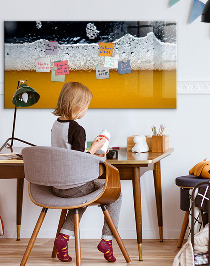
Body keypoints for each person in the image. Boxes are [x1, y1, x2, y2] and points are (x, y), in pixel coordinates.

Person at [51, 82, 121, 263]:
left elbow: (68, 154)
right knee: (116, 194)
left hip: (57, 186)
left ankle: (63, 238)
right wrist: (96, 148)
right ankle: (107, 240)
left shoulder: (56, 125)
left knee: (81, 197)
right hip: (74, 186)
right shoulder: (77, 129)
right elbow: (79, 161)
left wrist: (90, 149)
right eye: (86, 106)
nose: (86, 110)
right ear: (78, 105)